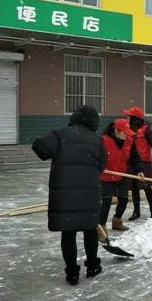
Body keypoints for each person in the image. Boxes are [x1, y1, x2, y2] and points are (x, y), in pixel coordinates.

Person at [31, 105, 106, 285]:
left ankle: (72, 273)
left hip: (65, 195)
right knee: (90, 229)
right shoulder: (97, 140)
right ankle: (92, 266)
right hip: (89, 193)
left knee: (69, 232)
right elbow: (101, 166)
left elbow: (39, 147)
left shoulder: (60, 135)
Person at [123, 106, 152, 220]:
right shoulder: (128, 129)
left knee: (146, 186)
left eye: (129, 116)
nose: (126, 117)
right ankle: (136, 212)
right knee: (134, 187)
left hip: (144, 162)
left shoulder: (146, 129)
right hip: (132, 162)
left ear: (135, 118)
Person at [99, 118, 135, 237]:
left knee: (124, 200)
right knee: (106, 203)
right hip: (106, 177)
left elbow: (135, 157)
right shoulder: (103, 141)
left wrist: (139, 170)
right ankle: (101, 228)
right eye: (125, 132)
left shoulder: (129, 140)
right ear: (117, 131)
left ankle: (117, 221)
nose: (127, 134)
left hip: (122, 175)